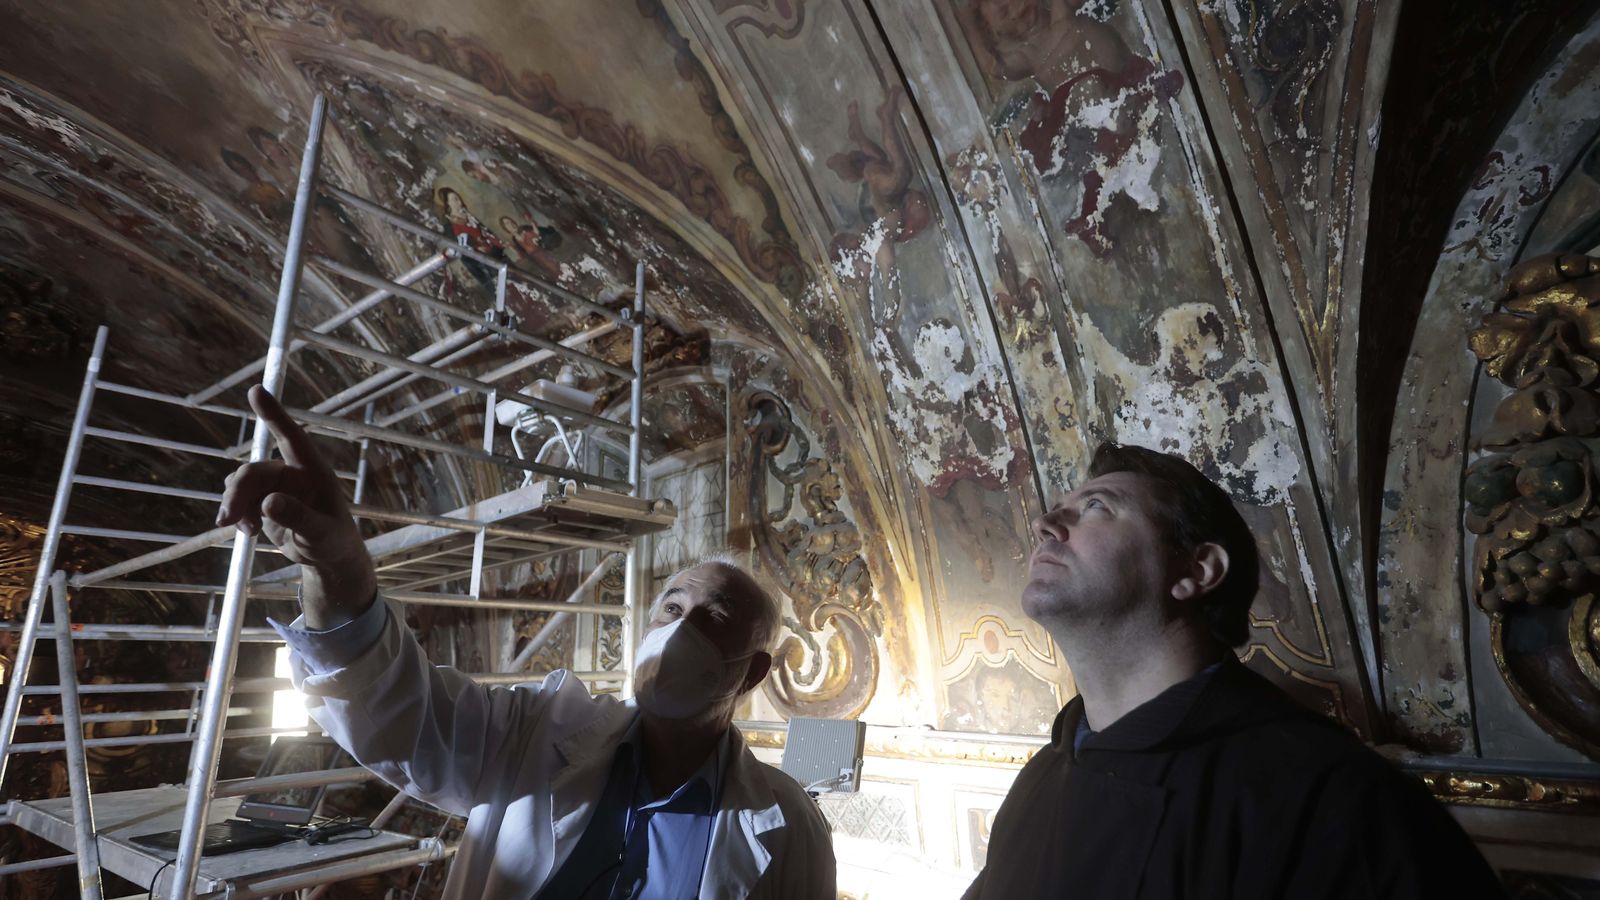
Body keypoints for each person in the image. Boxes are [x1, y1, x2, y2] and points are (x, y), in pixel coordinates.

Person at [216, 386, 835, 900]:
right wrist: (337, 570)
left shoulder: (790, 826)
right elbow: (403, 721)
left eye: (712, 618)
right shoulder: (536, 730)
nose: (678, 630)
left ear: (751, 673)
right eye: (670, 608)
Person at [963, 443, 1504, 899]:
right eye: (1061, 508)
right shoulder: (1040, 777)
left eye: (1097, 506)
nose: (1044, 523)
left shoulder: (1330, 800)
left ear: (1196, 569)